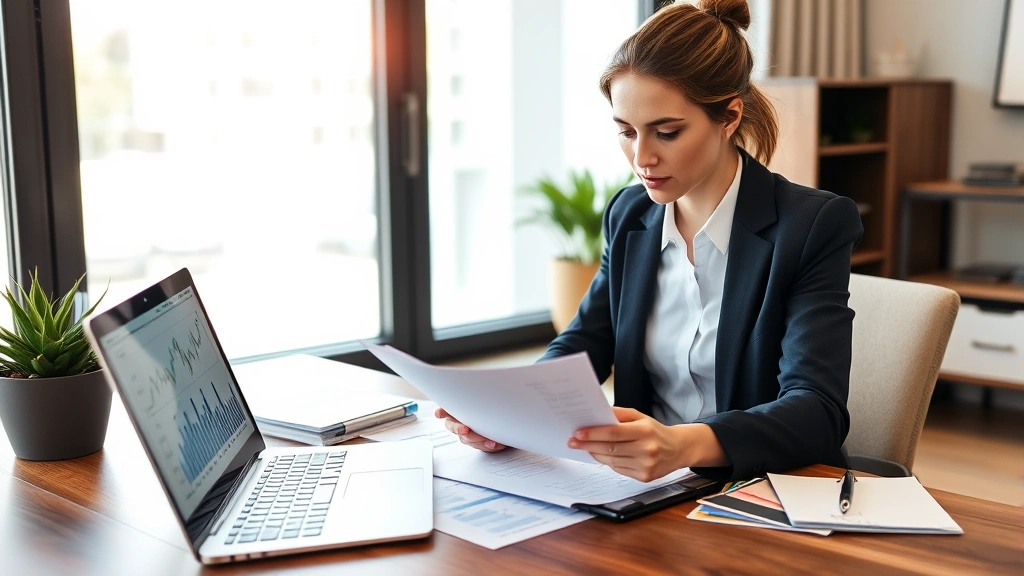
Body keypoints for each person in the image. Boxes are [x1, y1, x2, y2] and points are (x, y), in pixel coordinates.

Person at [436, 0, 863, 483]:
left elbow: (817, 410)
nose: (642, 157)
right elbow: (585, 343)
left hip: (756, 486)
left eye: (666, 132)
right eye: (626, 132)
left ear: (728, 116)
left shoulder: (811, 225)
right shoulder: (630, 214)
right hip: (642, 488)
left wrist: (682, 444)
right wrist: (512, 413)